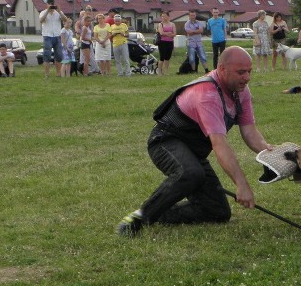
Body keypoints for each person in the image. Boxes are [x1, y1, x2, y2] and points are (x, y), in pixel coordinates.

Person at [116, 46, 274, 237]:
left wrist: (269, 152)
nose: (247, 77)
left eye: (249, 71)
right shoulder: (207, 94)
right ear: (222, 69)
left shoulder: (240, 90)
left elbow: (249, 131)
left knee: (217, 211)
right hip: (165, 142)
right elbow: (219, 144)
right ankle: (140, 217)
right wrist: (241, 184)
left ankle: (159, 213)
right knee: (190, 173)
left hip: (193, 152)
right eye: (241, 72)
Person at [39, 0, 65, 76]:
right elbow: (41, 20)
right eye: (49, 4)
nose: (51, 6)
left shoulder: (58, 13)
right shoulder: (43, 12)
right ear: (46, 5)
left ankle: (58, 73)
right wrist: (47, 11)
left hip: (57, 36)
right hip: (47, 36)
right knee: (47, 55)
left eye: (52, 4)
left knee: (59, 55)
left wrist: (59, 11)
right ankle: (47, 74)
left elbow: (65, 20)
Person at [155, 11, 176, 75]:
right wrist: (168, 33)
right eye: (162, 16)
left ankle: (166, 71)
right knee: (162, 57)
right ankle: (159, 71)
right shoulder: (160, 24)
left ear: (168, 16)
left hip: (170, 42)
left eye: (164, 16)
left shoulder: (172, 24)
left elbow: (174, 33)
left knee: (167, 57)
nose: (163, 17)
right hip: (162, 42)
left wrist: (168, 34)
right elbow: (161, 33)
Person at [75, 7, 94, 76]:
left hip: (87, 43)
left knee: (87, 59)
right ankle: (85, 72)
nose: (89, 23)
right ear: (85, 21)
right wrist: (89, 40)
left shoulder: (88, 27)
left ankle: (86, 71)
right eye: (88, 21)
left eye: (89, 21)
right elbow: (82, 37)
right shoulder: (85, 28)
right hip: (85, 43)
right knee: (86, 59)